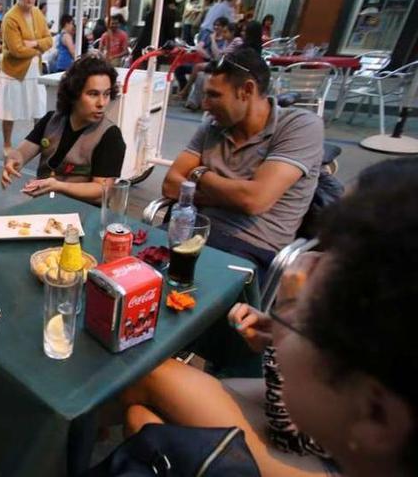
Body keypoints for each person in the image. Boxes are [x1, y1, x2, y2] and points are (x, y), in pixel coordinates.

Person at [120, 157, 418, 477]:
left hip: (299, 446)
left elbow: (286, 430)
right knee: (140, 415)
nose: (306, 262)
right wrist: (286, 330)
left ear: (375, 414)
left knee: (144, 391)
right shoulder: (381, 376)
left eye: (332, 255)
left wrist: (285, 330)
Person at [163, 48, 323, 274]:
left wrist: (199, 175)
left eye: (214, 95)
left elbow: (254, 200)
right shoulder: (213, 125)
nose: (205, 105)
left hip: (250, 249)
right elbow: (170, 185)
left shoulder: (299, 126)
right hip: (192, 233)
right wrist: (231, 197)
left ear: (246, 91)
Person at [0, 55, 126, 205]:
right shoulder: (51, 120)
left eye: (106, 94)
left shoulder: (110, 136)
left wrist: (58, 186)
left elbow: (102, 189)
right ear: (74, 94)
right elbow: (21, 153)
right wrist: (13, 161)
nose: (102, 103)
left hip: (84, 213)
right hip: (46, 206)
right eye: (93, 94)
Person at [0, 0, 53, 154]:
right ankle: (6, 144)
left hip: (35, 70)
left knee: (39, 110)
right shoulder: (10, 17)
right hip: (13, 70)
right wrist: (38, 49)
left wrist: (34, 43)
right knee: (9, 111)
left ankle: (38, 143)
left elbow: (49, 40)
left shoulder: (37, 13)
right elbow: (16, 50)